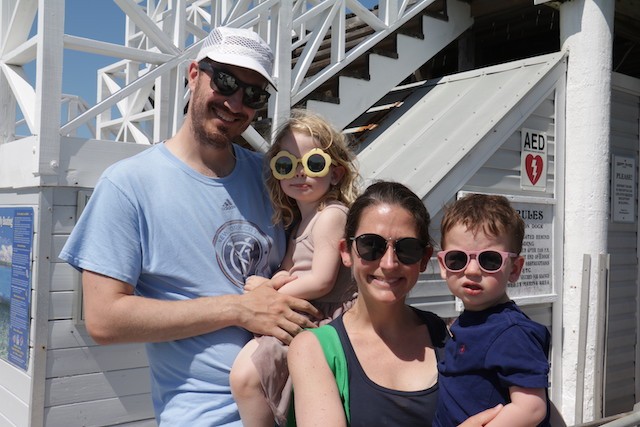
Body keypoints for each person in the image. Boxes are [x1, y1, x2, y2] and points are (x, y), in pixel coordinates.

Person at [59, 26, 321, 426]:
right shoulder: (128, 184)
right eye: (226, 82)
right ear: (194, 74)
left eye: (254, 95)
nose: (236, 103)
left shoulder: (273, 178)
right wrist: (238, 309)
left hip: (303, 404)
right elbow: (104, 319)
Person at [288, 181, 503, 427]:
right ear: (346, 252)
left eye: (407, 249)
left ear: (424, 259)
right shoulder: (313, 349)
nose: (389, 263)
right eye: (371, 245)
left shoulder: (446, 336)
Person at [229, 109, 360, 426]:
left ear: (335, 174)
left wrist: (270, 291)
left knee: (246, 374)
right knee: (247, 375)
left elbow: (321, 281)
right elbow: (288, 270)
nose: (300, 173)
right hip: (305, 310)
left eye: (314, 164)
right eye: (286, 165)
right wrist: (272, 281)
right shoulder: (300, 222)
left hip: (322, 317)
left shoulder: (331, 215)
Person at [434, 193, 551, 427]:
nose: (472, 270)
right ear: (443, 266)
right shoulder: (469, 322)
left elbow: (531, 408)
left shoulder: (512, 333)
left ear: (514, 269)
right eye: (457, 259)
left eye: (490, 260)